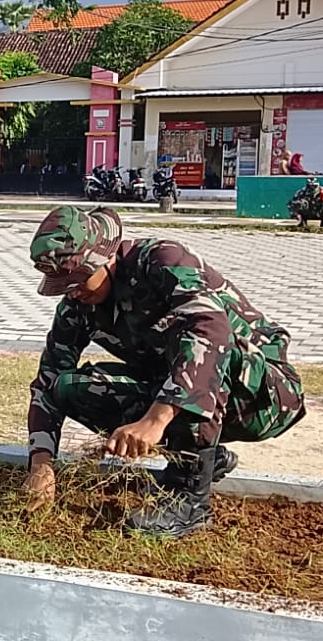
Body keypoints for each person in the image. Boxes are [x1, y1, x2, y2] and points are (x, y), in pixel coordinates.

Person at [23, 206, 306, 538]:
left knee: (205, 349)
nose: (73, 292)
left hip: (265, 394)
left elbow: (211, 333)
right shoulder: (78, 306)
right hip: (191, 389)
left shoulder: (161, 261)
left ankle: (190, 502)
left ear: (105, 258)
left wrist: (155, 420)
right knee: (68, 387)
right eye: (64, 286)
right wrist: (41, 463)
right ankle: (200, 460)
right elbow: (48, 379)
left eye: (79, 281)